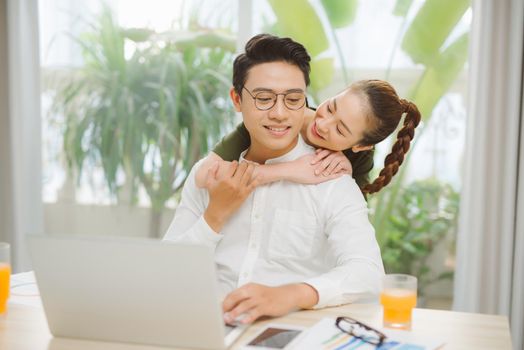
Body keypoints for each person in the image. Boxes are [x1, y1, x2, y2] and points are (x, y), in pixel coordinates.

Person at [163, 33, 385, 325]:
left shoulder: (332, 180)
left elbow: (369, 273)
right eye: (264, 99)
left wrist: (292, 294)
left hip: (286, 333)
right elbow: (165, 272)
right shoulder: (209, 175)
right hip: (202, 328)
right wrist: (214, 215)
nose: (279, 114)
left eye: (293, 100)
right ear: (237, 99)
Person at [196, 79, 421, 195]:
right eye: (331, 107)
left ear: (361, 146)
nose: (322, 124)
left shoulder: (358, 160)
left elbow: (349, 226)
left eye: (340, 130)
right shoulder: (278, 116)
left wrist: (345, 176)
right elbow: (203, 176)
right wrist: (293, 171)